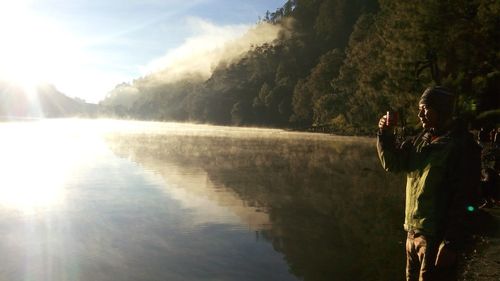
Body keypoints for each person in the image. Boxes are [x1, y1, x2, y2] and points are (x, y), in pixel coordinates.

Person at [376, 86, 481, 281]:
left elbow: (467, 198)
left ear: (441, 110)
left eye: (425, 108)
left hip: (436, 240)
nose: (419, 114)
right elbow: (393, 163)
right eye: (419, 108)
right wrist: (385, 133)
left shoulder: (461, 147)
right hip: (412, 234)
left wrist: (451, 243)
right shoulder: (419, 141)